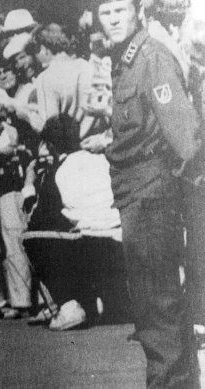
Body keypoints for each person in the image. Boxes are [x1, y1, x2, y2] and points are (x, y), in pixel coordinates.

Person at [97, 0, 202, 387]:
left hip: (152, 198)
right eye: (105, 13)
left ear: (138, 11)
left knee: (157, 311)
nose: (112, 20)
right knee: (156, 309)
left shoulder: (151, 58)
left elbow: (186, 138)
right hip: (135, 195)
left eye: (120, 11)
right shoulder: (125, 60)